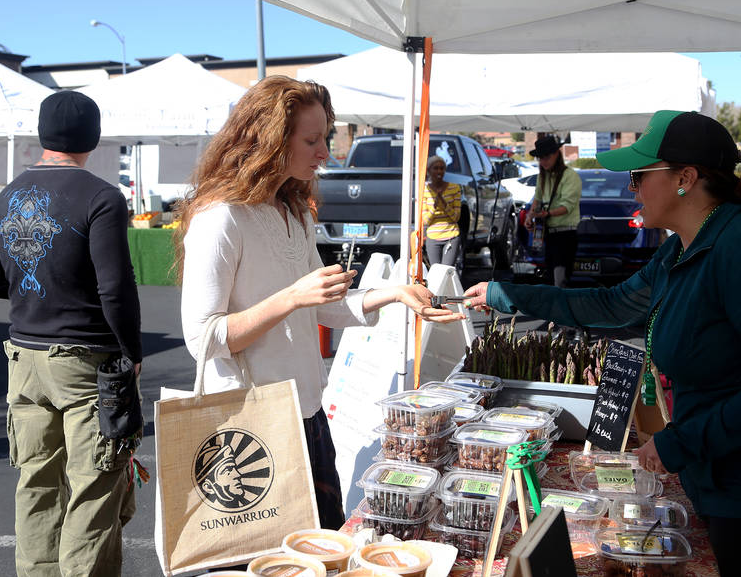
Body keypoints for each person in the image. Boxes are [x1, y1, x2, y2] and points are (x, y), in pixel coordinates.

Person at [464, 110, 741, 577]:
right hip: (721, 480)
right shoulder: (680, 248)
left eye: (639, 175)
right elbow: (610, 305)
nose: (632, 188)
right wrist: (505, 294)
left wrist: (680, 441)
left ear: (685, 178)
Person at [175, 75, 463, 530]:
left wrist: (394, 293)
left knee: (323, 545)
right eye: (311, 140)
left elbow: (323, 307)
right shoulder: (220, 218)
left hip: (307, 411)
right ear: (268, 139)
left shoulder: (293, 212)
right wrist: (290, 298)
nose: (325, 152)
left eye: (325, 137)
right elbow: (204, 338)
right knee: (261, 560)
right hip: (248, 431)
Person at [0, 90, 142, 577]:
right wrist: (133, 353)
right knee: (93, 488)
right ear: (92, 137)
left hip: (22, 359)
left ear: (41, 134)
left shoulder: (6, 197)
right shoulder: (101, 197)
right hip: (86, 362)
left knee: (36, 483)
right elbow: (115, 288)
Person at [525, 135, 581, 287]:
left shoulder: (570, 176)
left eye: (546, 157)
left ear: (557, 154)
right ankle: (553, 309)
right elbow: (537, 198)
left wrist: (546, 214)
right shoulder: (542, 176)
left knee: (560, 280)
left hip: (565, 234)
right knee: (549, 278)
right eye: (540, 158)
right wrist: (530, 217)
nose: (543, 161)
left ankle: (559, 309)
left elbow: (567, 207)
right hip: (549, 233)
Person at [422, 154, 463, 268]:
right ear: (429, 171)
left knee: (446, 271)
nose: (439, 171)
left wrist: (444, 205)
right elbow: (426, 221)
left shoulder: (454, 188)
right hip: (433, 237)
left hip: (451, 235)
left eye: (442, 168)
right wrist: (434, 207)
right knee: (435, 272)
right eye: (435, 168)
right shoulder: (424, 191)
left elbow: (456, 217)